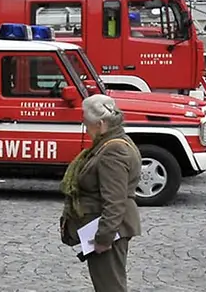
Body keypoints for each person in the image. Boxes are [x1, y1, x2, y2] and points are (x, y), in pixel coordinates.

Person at [59, 93, 141, 292]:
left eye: (87, 124)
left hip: (109, 231)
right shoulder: (115, 141)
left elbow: (114, 201)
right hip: (107, 228)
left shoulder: (113, 152)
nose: (86, 129)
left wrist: (103, 238)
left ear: (101, 123)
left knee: (110, 287)